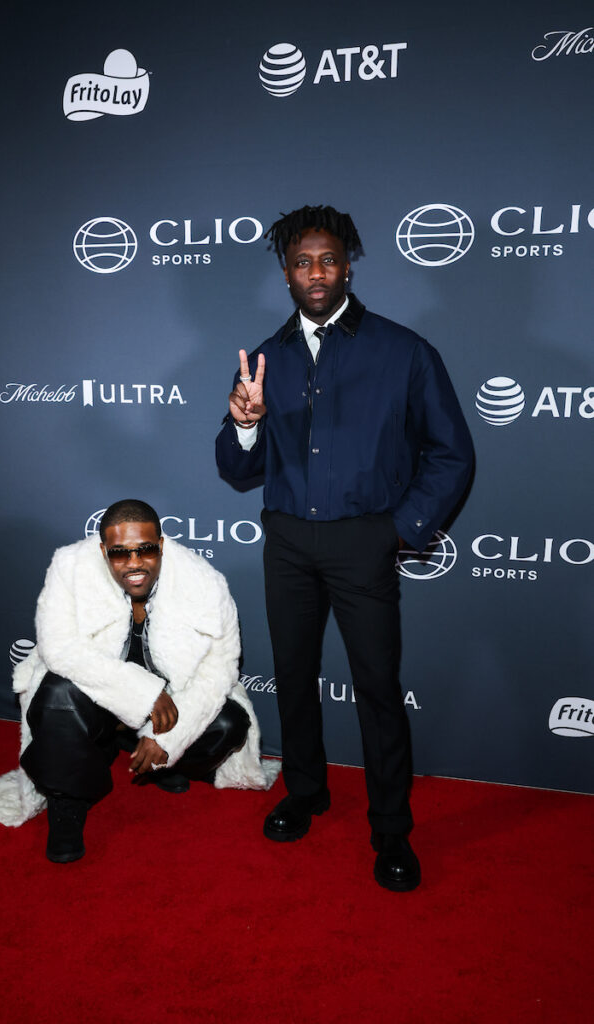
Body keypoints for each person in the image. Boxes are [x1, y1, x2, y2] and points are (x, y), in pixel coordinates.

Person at [216, 204, 473, 892]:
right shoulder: (264, 358)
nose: (316, 273)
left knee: (378, 688)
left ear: (347, 267)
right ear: (285, 273)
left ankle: (390, 828)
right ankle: (304, 791)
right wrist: (245, 425)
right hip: (287, 541)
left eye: (328, 260)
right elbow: (236, 468)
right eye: (302, 262)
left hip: (365, 539)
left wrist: (399, 529)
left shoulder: (403, 351)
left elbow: (451, 452)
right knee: (293, 676)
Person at [0, 499, 277, 862]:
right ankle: (68, 801)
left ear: (161, 544)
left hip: (170, 703)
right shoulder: (70, 568)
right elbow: (59, 648)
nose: (134, 563)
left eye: (146, 550)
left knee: (228, 725)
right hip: (95, 695)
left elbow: (219, 670)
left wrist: (166, 738)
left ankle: (155, 759)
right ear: (103, 551)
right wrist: (142, 694)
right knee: (56, 695)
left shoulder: (204, 584)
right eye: (119, 553)